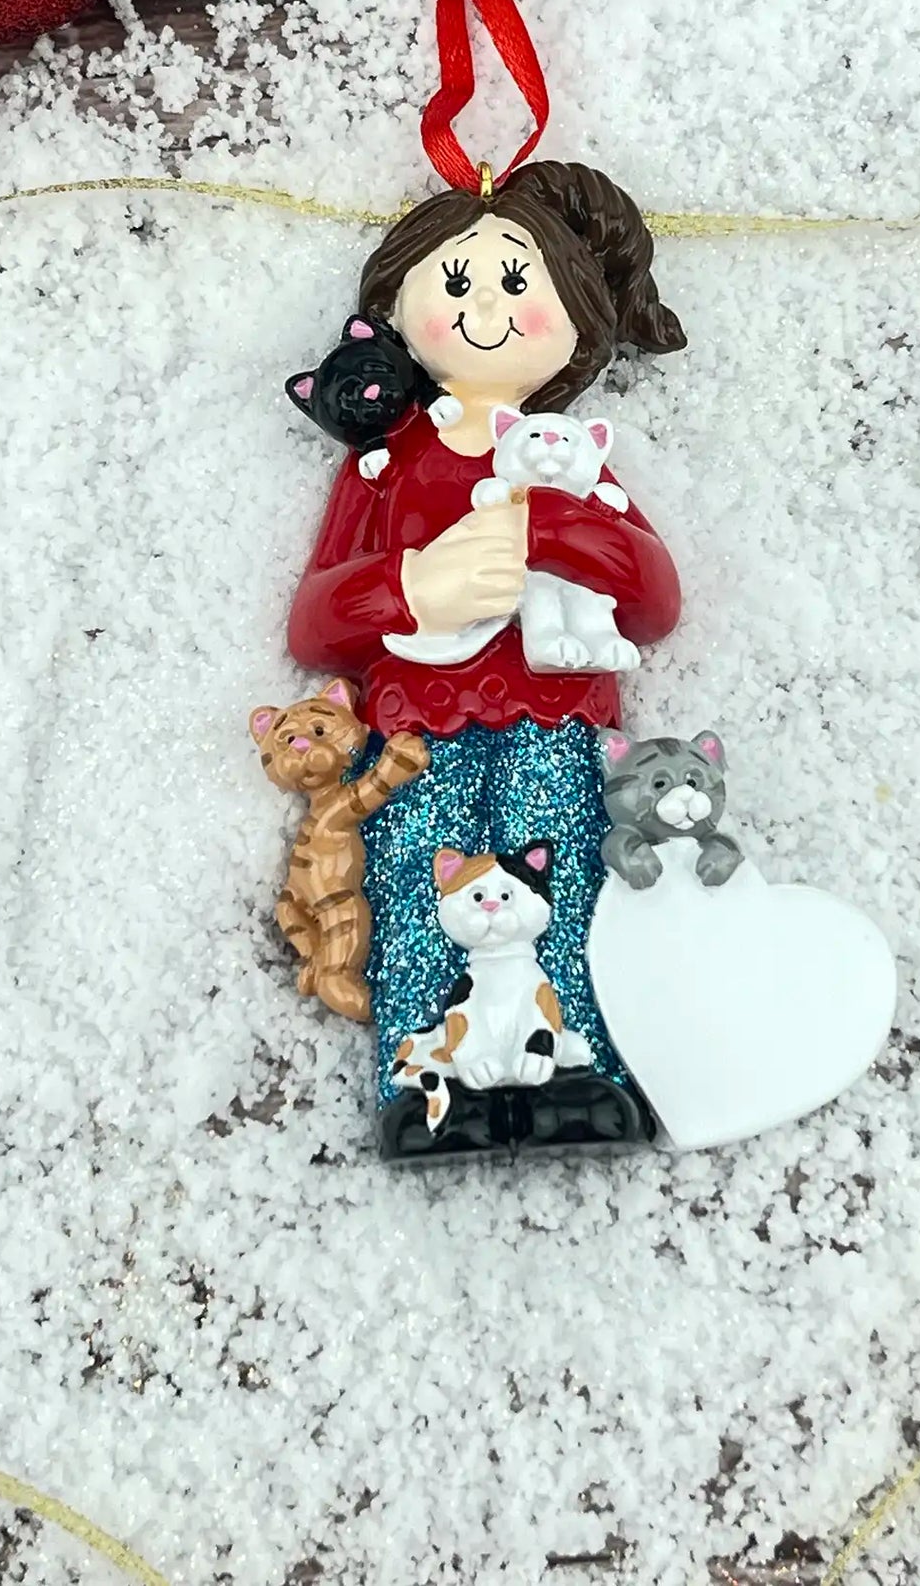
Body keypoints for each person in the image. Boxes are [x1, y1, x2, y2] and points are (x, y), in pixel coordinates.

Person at [287, 161, 687, 1159]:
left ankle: (578, 1066)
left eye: (519, 283)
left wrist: (547, 525)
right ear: (396, 308)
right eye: (457, 283)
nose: (486, 311)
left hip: (557, 715)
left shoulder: (570, 458)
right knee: (424, 886)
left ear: (577, 322)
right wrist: (414, 587)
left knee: (562, 876)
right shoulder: (385, 462)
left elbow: (653, 596)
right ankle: (423, 1081)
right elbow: (316, 623)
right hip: (414, 726)